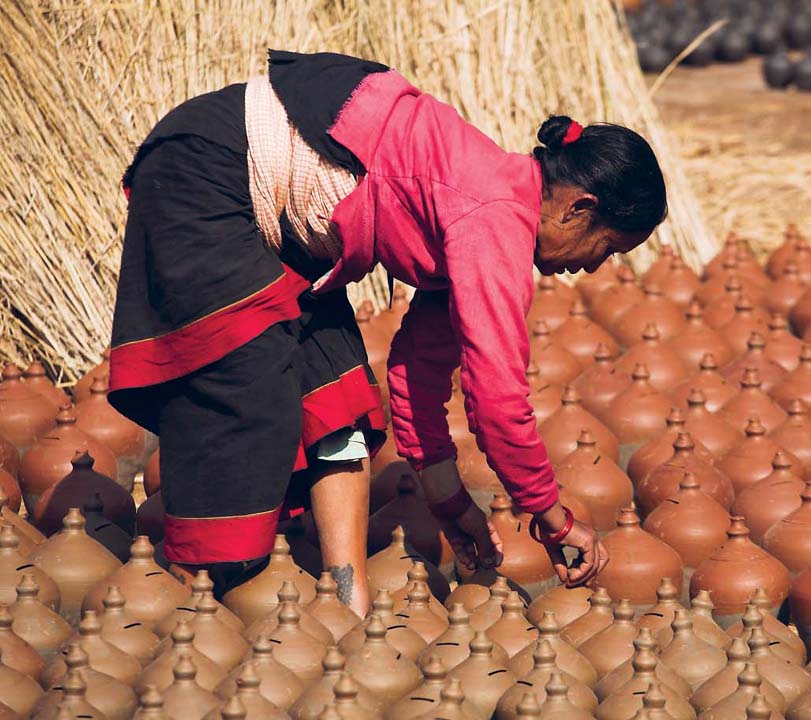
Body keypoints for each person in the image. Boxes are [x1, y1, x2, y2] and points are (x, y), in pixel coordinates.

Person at [107, 50, 667, 617]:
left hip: (269, 217)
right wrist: (552, 517)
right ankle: (190, 604)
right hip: (208, 173)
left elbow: (417, 374)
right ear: (579, 208)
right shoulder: (495, 217)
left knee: (338, 388)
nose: (595, 268)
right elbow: (498, 402)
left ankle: (349, 608)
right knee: (246, 394)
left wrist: (451, 507)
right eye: (609, 248)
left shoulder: (488, 206)